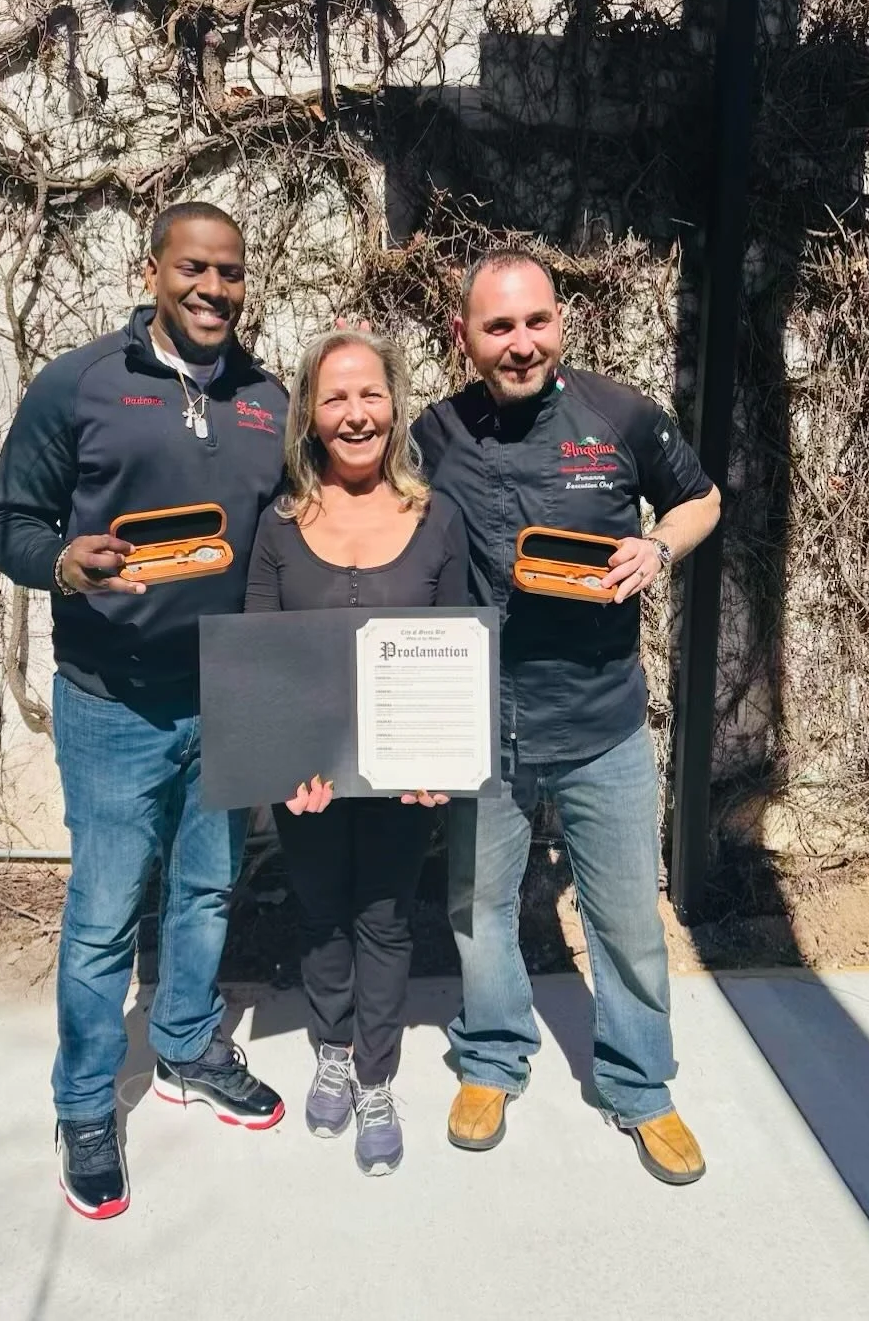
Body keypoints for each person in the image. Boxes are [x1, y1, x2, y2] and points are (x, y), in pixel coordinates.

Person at [0, 202, 289, 1220]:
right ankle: (82, 1105)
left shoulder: (264, 400)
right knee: (105, 917)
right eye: (194, 268)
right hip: (113, 702)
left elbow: (295, 530)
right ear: (151, 270)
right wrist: (60, 562)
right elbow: (7, 522)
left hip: (230, 696)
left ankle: (188, 1047)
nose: (213, 288)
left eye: (230, 272)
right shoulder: (78, 384)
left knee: (206, 890)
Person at [413, 248, 721, 1184]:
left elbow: (701, 498)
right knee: (479, 908)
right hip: (484, 724)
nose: (520, 343)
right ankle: (491, 1057)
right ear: (463, 336)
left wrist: (656, 549)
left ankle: (639, 1084)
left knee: (625, 917)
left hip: (603, 723)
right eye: (498, 326)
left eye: (535, 321)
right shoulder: (431, 432)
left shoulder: (618, 414)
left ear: (561, 322)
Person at [244, 329, 468, 1176]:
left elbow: (455, 643)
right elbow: (261, 655)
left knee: (383, 916)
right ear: (308, 414)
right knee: (319, 913)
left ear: (394, 405)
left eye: (370, 393)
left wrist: (439, 758)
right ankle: (331, 1049)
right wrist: (279, 763)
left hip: (401, 777)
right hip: (310, 776)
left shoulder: (436, 517)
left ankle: (374, 1076)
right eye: (334, 397)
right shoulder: (278, 526)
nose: (355, 413)